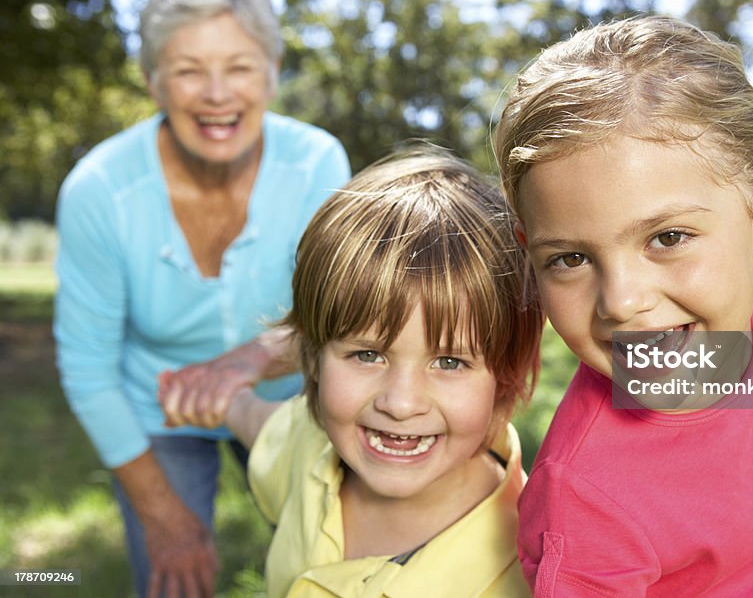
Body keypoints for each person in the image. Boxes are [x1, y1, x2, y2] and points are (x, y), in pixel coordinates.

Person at [493, 15, 753, 596]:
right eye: (571, 259)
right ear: (532, 256)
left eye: (668, 238)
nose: (623, 302)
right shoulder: (585, 498)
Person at [53, 0, 350, 598]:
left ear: (271, 73)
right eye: (188, 70)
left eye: (240, 66)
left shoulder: (318, 164)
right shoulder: (99, 189)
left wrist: (247, 361)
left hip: (284, 391)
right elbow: (87, 364)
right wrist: (164, 516)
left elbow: (337, 318)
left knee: (333, 564)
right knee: (172, 574)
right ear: (154, 80)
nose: (217, 95)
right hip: (153, 402)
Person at [158, 150, 544, 597]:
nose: (400, 404)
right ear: (313, 358)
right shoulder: (309, 447)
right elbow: (255, 423)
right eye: (367, 354)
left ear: (506, 377)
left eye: (449, 362)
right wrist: (216, 397)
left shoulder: (523, 573)